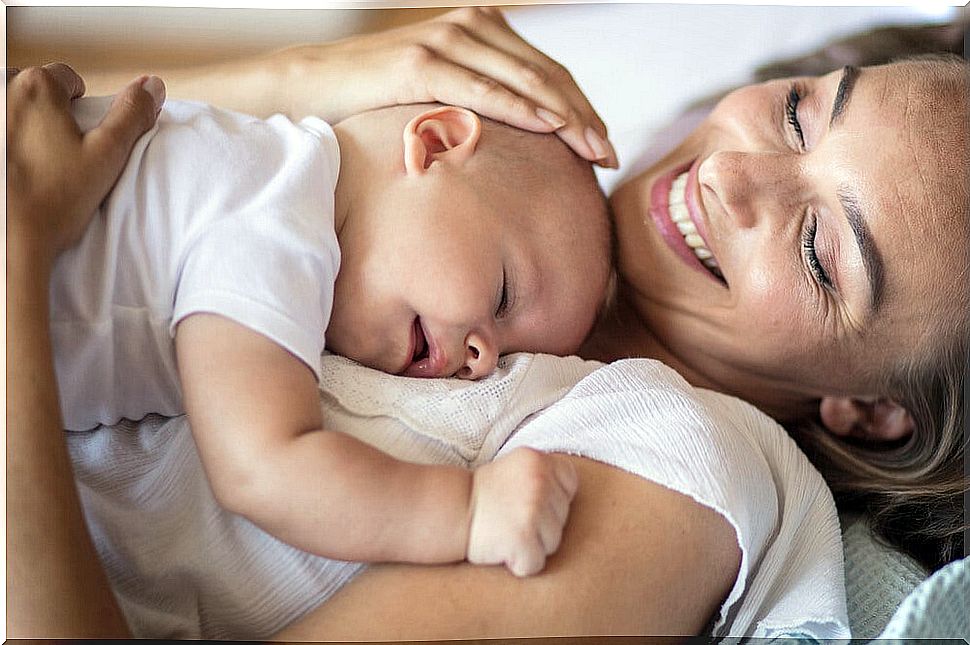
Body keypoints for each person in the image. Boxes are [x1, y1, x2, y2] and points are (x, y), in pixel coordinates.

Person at [8, 5, 968, 640]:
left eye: (818, 251)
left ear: (869, 409)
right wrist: (307, 82)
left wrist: (15, 275)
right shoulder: (482, 192)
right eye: (800, 114)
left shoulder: (677, 467)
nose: (725, 176)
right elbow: (42, 140)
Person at [55, 75, 615, 578]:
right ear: (436, 144)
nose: (484, 360)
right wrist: (468, 511)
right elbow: (264, 467)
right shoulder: (277, 214)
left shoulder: (265, 164)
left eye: (511, 353)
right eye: (503, 296)